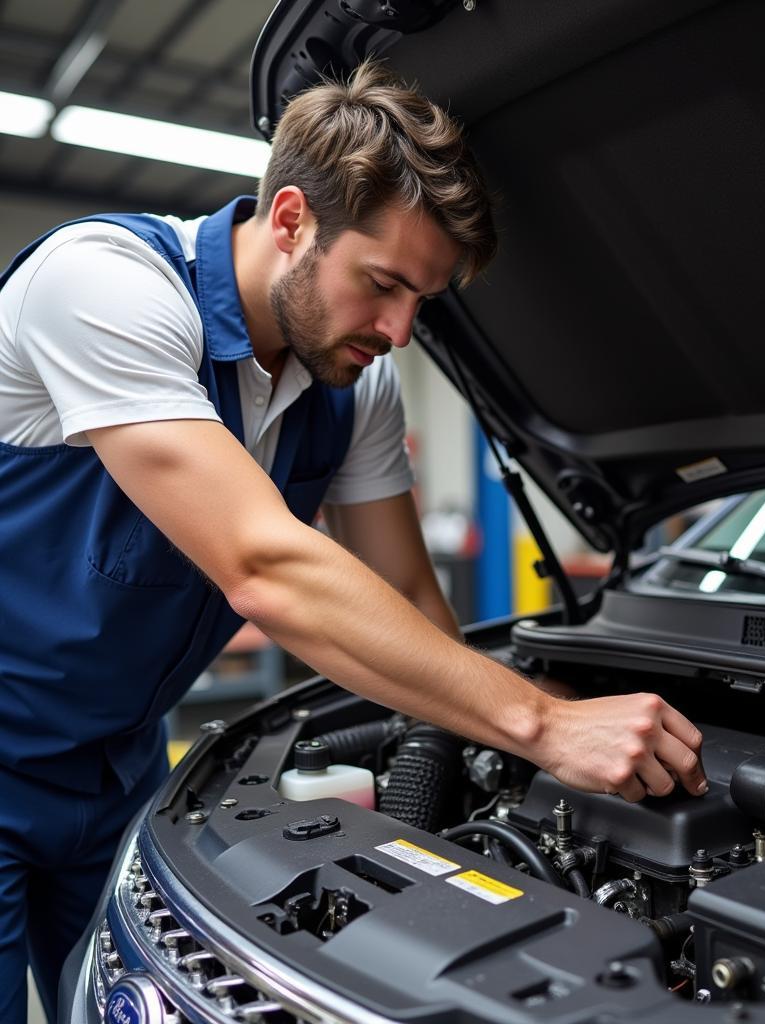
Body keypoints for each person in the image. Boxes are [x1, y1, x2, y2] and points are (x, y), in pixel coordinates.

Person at [0, 62, 706, 1023]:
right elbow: (264, 567)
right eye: (382, 283)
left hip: (120, 768)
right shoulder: (106, 285)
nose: (401, 330)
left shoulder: (351, 385)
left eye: (423, 298)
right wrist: (542, 729)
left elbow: (412, 599)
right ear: (289, 219)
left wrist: (554, 708)